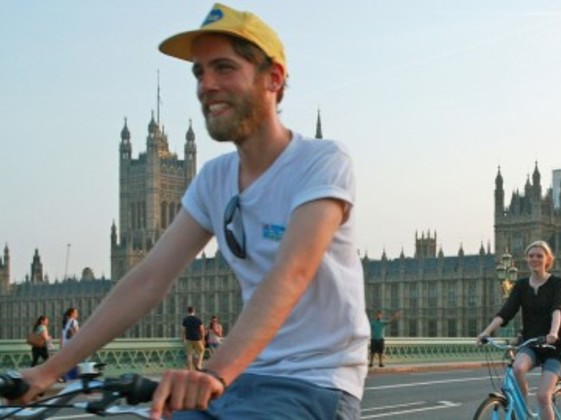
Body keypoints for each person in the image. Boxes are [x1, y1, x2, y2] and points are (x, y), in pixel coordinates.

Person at [14, 3, 369, 418]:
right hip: (243, 378)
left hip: (315, 383)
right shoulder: (213, 179)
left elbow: (292, 273)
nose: (206, 85)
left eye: (223, 68)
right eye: (199, 73)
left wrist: (213, 374)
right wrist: (48, 371)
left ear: (273, 78)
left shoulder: (321, 161)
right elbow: (148, 279)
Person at [476, 240, 561, 420]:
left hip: (553, 347)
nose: (535, 259)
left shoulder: (557, 283)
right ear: (526, 259)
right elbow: (506, 311)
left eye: (539, 256)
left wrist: (554, 332)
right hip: (531, 342)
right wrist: (486, 332)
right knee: (517, 367)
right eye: (531, 256)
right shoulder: (521, 285)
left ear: (548, 259)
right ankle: (522, 408)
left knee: (543, 397)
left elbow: (558, 309)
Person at [182, 306, 204, 371]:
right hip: (197, 338)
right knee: (201, 351)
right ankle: (199, 365)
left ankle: (190, 369)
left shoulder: (185, 319)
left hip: (188, 338)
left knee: (189, 354)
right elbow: (201, 329)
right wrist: (203, 338)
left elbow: (184, 330)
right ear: (194, 311)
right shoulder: (198, 319)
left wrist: (183, 338)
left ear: (188, 311)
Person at [60, 308, 79, 381]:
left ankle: (67, 377)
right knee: (74, 362)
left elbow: (62, 337)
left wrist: (61, 348)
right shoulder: (74, 322)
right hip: (72, 345)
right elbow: (76, 333)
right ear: (72, 314)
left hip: (65, 346)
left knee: (68, 363)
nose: (77, 314)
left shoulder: (65, 323)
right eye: (76, 313)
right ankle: (73, 378)